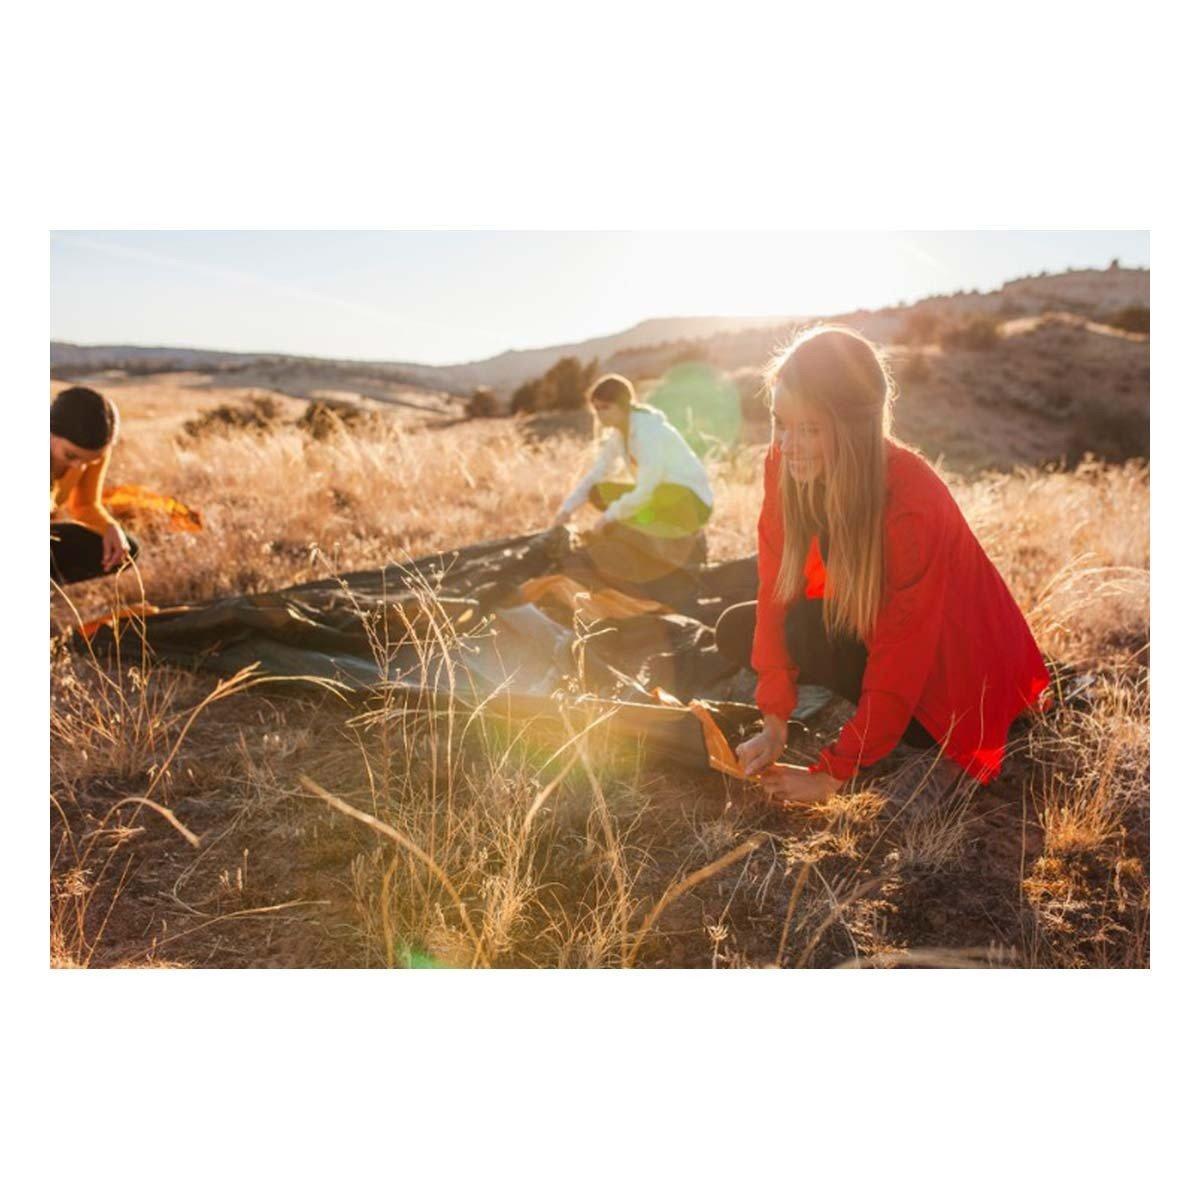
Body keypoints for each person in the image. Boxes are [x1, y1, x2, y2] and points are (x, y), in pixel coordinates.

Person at [714, 326, 1050, 804]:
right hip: (876, 626)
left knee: (917, 725)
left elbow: (903, 654)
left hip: (949, 672)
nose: (787, 444)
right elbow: (775, 587)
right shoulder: (784, 462)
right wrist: (773, 723)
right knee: (738, 627)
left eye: (809, 429)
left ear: (853, 429)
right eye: (780, 423)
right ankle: (861, 716)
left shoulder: (911, 498)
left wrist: (830, 774)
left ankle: (931, 737)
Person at [553, 374, 713, 601]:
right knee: (597, 492)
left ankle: (663, 540)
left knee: (644, 501)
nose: (600, 414)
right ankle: (639, 532)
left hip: (690, 502)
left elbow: (648, 488)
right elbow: (597, 472)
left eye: (605, 408)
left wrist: (608, 517)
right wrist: (566, 510)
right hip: (660, 496)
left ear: (622, 405)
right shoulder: (619, 434)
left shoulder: (648, 431)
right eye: (596, 409)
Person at [50, 386, 138, 584]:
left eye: (91, 461)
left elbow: (85, 504)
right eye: (70, 455)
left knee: (124, 549)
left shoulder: (93, 451)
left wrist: (109, 526)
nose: (79, 467)